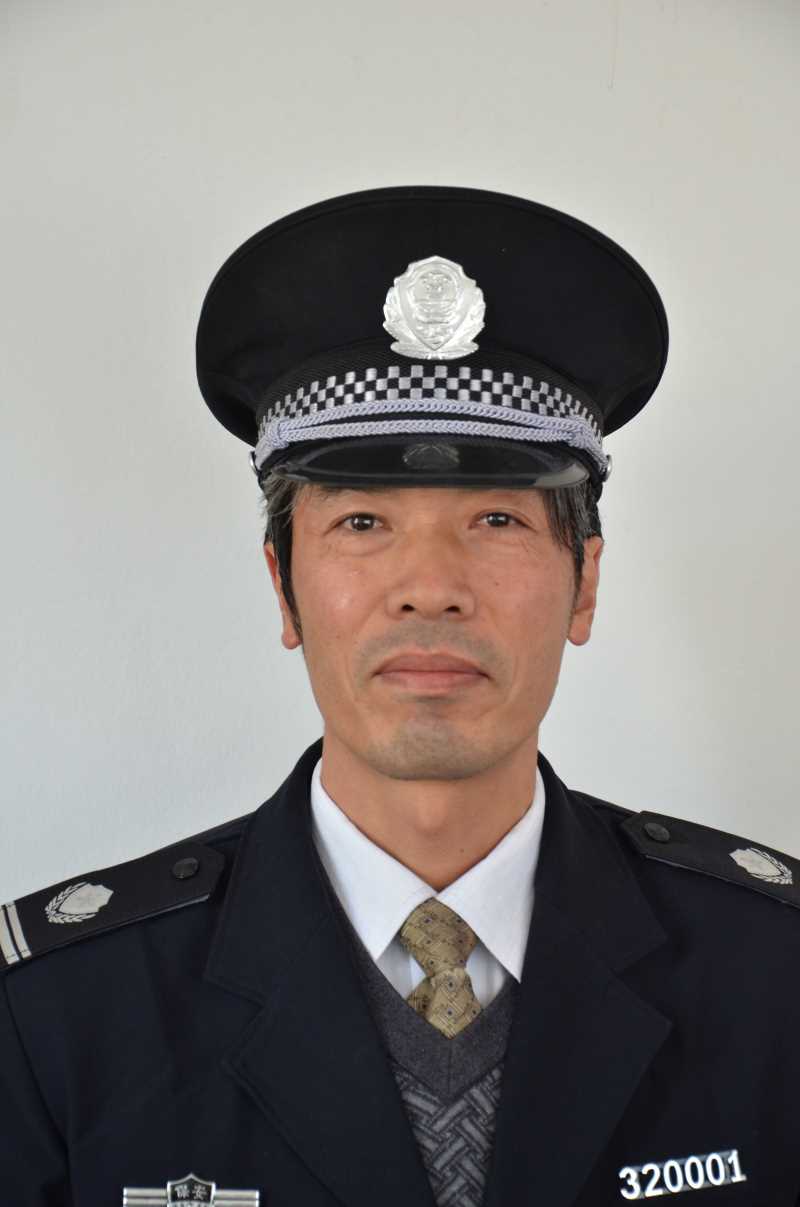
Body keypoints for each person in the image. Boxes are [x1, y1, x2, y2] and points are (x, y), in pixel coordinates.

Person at [1, 186, 797, 1207]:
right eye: (363, 522)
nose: (429, 587)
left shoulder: (770, 971)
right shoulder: (61, 1013)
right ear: (283, 586)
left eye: (498, 520)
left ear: (584, 583)